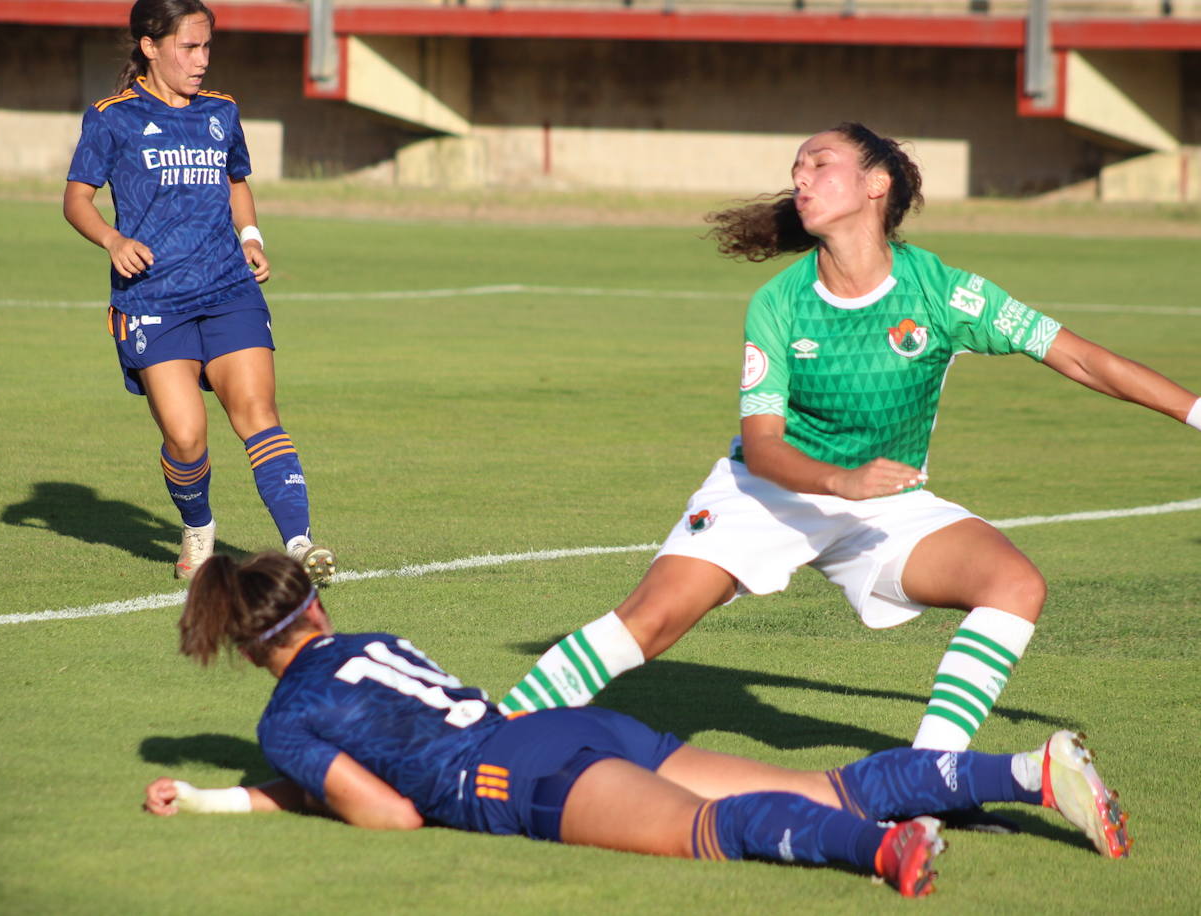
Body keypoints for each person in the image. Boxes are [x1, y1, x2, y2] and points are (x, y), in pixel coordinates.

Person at [499, 122, 1200, 757]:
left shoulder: (944, 292)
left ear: (875, 183)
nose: (800, 178)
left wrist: (1195, 412)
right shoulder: (780, 301)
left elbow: (1078, 356)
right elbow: (764, 445)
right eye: (796, 168)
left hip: (885, 502)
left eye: (819, 164)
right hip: (769, 491)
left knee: (1014, 584)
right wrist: (841, 482)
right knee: (649, 622)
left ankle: (924, 775)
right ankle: (487, 737)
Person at [142, 552, 1130, 898]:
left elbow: (390, 815)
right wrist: (214, 799)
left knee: (702, 836)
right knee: (821, 784)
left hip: (519, 785)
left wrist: (273, 792)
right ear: (312, 607)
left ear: (240, 639)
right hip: (572, 731)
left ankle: (878, 855)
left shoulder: (287, 716)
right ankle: (1025, 771)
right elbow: (364, 760)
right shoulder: (373, 641)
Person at [62, 0, 335, 584]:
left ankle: (300, 542)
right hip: (153, 300)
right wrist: (112, 240)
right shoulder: (112, 117)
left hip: (227, 288)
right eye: (189, 47)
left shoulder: (221, 112)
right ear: (149, 46)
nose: (202, 60)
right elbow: (76, 199)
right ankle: (198, 529)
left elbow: (236, 180)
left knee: (258, 413)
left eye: (207, 46)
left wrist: (252, 236)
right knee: (186, 438)